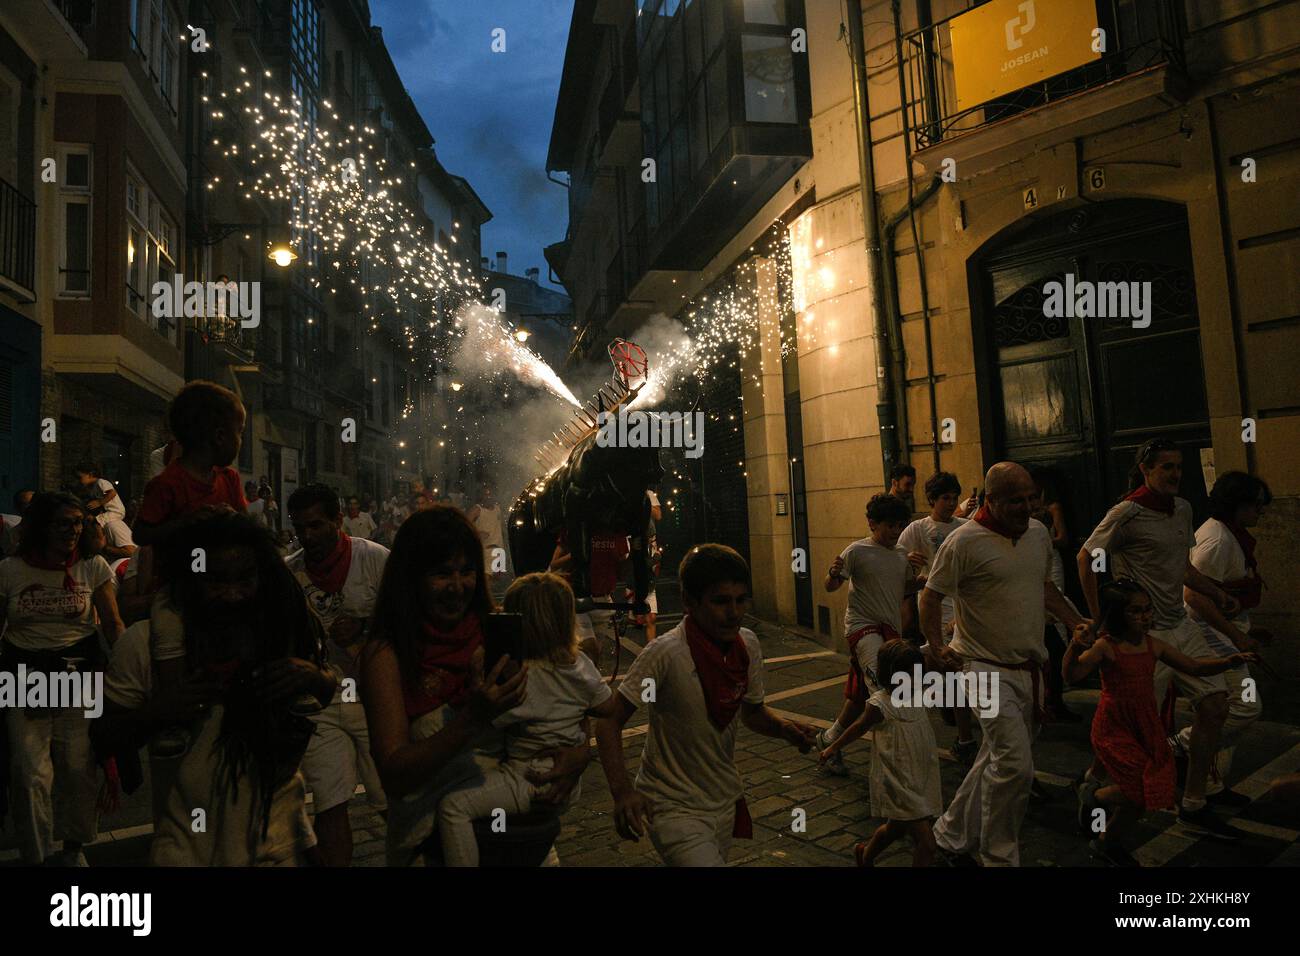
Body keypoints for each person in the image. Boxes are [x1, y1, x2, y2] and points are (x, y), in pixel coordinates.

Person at [97, 512, 335, 865]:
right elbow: (102, 736)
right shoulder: (142, 645)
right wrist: (157, 713)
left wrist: (316, 678)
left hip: (276, 840)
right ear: (190, 578)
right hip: (187, 849)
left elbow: (329, 689)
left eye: (245, 580)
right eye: (216, 582)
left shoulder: (276, 632)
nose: (233, 595)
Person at [360, 506, 592, 866]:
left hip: (518, 843)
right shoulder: (387, 654)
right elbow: (394, 774)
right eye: (441, 573)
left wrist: (579, 753)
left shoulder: (497, 631)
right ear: (411, 578)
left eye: (466, 571)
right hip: (432, 846)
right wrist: (472, 719)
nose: (457, 587)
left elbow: (566, 692)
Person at [594, 544, 818, 867]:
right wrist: (622, 792)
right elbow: (609, 721)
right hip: (670, 805)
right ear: (689, 601)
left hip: (723, 800)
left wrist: (785, 730)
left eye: (741, 600)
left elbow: (752, 712)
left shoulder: (747, 645)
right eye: (720, 601)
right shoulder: (665, 655)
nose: (734, 612)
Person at [1078, 438, 1244, 840]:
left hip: (1179, 627)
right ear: (1147, 470)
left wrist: (1216, 593)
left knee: (1217, 704)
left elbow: (1182, 568)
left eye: (1178, 467)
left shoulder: (1182, 509)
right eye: (1166, 467)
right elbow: (1087, 557)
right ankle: (1092, 788)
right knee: (1133, 725)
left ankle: (1194, 802)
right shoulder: (1127, 513)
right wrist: (1099, 618)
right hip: (1141, 633)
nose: (1174, 474)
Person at [922, 462, 1086, 867]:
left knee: (994, 759)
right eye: (1015, 500)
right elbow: (930, 595)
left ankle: (949, 833)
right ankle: (998, 857)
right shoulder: (963, 542)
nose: (1026, 507)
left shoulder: (1038, 533)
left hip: (1030, 668)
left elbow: (1044, 586)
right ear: (991, 500)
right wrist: (935, 645)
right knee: (1013, 764)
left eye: (1031, 498)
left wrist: (1074, 620)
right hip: (983, 668)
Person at [1064, 581, 1257, 866]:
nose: (1145, 617)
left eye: (1147, 610)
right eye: (1135, 611)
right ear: (1118, 614)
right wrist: (1073, 645)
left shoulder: (1153, 645)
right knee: (1138, 792)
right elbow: (1073, 675)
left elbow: (1193, 666)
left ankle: (1107, 841)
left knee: (1155, 789)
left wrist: (1228, 662)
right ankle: (1096, 796)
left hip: (1145, 725)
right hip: (1115, 729)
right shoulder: (1107, 647)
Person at [437, 572, 620, 866]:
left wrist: (476, 682)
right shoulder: (579, 665)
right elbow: (608, 707)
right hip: (569, 784)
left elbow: (490, 722)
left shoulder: (519, 677)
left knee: (453, 808)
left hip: (529, 777)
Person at [0, 492, 123, 865]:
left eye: (78, 523)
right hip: (25, 678)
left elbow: (114, 625)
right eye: (63, 523)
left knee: (77, 768)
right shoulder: (10, 570)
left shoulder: (93, 566)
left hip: (79, 676)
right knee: (28, 774)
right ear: (40, 527)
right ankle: (36, 855)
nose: (73, 530)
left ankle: (74, 848)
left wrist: (126, 674)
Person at [133, 381, 248, 758]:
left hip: (227, 583)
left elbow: (244, 525)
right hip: (181, 587)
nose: (240, 441)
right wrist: (188, 522)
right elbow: (142, 531)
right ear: (219, 436)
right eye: (239, 432)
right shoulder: (166, 483)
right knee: (167, 630)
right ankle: (173, 715)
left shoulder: (229, 480)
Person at [285, 483, 390, 866]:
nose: (308, 536)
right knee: (329, 801)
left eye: (316, 525)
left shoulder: (375, 559)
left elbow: (407, 617)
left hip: (375, 699)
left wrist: (363, 627)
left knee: (390, 796)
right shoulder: (290, 573)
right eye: (300, 528)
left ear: (338, 519)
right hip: (321, 703)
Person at [1181, 471, 1272, 805]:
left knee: (1229, 710)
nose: (1261, 512)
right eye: (1256, 505)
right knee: (1245, 708)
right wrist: (1237, 636)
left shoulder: (1231, 535)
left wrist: (1247, 630)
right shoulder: (1218, 540)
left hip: (1224, 633)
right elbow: (1194, 596)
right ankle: (1181, 744)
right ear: (1237, 505)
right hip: (1210, 635)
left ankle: (1210, 785)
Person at [817, 494, 917, 777]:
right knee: (884, 693)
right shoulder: (857, 551)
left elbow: (904, 588)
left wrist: (919, 578)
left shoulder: (901, 554)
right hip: (864, 629)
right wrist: (832, 573)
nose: (896, 532)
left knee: (858, 697)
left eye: (900, 526)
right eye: (890, 526)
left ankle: (828, 741)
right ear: (873, 523)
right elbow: (831, 585)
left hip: (891, 631)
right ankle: (894, 763)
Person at [819, 639, 942, 867]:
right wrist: (833, 747)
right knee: (927, 844)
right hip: (899, 778)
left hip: (920, 774)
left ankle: (865, 855)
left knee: (896, 827)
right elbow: (858, 728)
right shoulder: (881, 704)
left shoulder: (919, 694)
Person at [898, 471, 976, 764]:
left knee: (957, 675)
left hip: (960, 609)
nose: (950, 503)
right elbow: (895, 559)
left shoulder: (965, 527)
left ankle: (965, 736)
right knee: (943, 673)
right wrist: (906, 561)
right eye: (945, 498)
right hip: (933, 608)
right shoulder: (918, 529)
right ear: (932, 499)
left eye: (954, 498)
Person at [72, 464, 134, 562]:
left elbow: (112, 493)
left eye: (80, 477)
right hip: (108, 511)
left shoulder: (101, 482)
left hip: (115, 510)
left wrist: (100, 502)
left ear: (90, 474)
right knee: (95, 520)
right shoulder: (93, 489)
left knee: (97, 521)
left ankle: (100, 542)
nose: (78, 481)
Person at [467, 486, 506, 575]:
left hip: (500, 550)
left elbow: (502, 527)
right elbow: (463, 527)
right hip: (486, 551)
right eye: (486, 494)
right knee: (487, 579)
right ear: (481, 496)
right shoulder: (477, 510)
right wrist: (476, 533)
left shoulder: (498, 509)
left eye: (490, 494)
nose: (488, 497)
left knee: (498, 581)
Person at [2, 488, 36, 557]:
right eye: (27, 504)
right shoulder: (13, 532)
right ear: (18, 508)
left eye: (35, 503)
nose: (33, 507)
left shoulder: (51, 528)